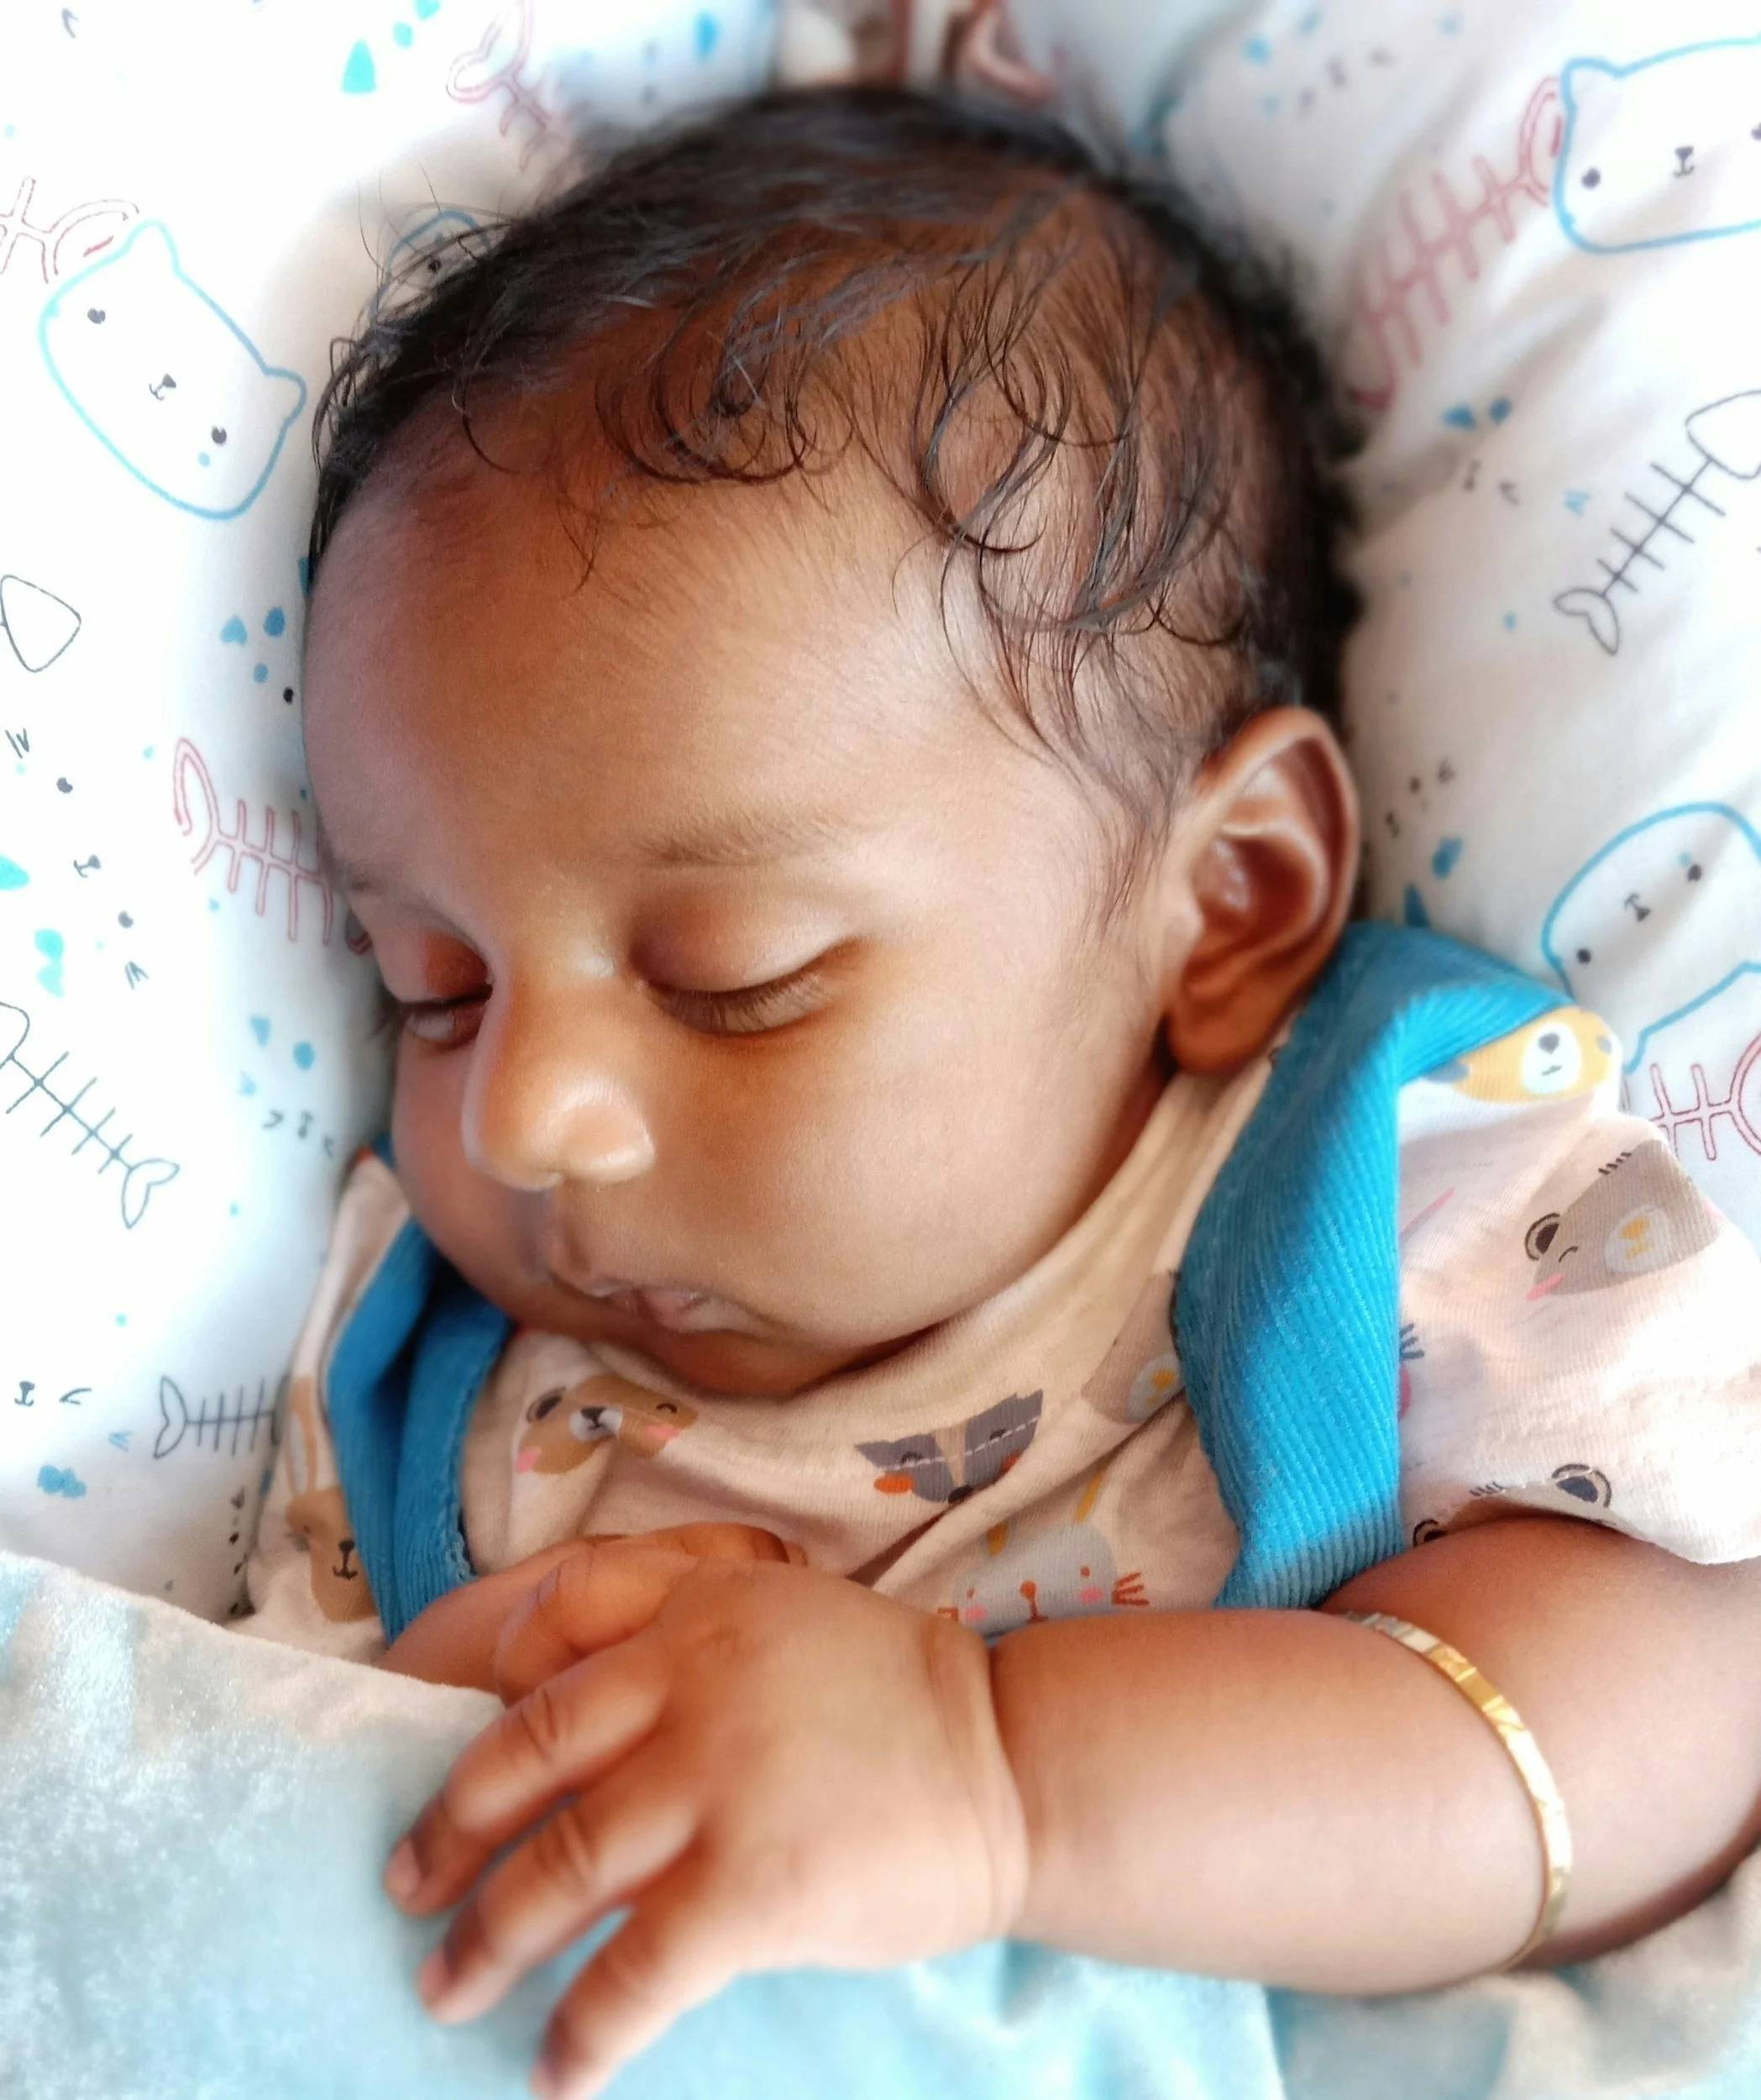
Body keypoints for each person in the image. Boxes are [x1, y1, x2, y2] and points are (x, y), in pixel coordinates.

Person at [241, 88, 1761, 2100]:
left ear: (1225, 902)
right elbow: (237, 1827)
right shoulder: (417, 1375)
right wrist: (452, 1720)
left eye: (731, 977)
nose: (521, 1114)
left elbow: (1682, 1684)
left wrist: (997, 1771)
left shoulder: (1394, 1188)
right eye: (433, 988)